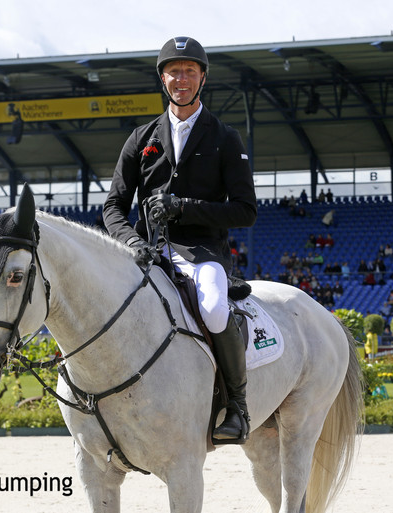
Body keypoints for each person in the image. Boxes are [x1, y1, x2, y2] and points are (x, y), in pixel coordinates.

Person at [103, 37, 257, 442]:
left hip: (201, 251)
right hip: (144, 251)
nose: (181, 78)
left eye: (190, 70)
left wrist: (187, 208)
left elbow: (246, 210)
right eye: (174, 71)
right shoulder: (141, 137)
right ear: (163, 79)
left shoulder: (225, 138)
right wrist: (130, 243)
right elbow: (113, 206)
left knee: (212, 307)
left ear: (202, 77)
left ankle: (236, 407)